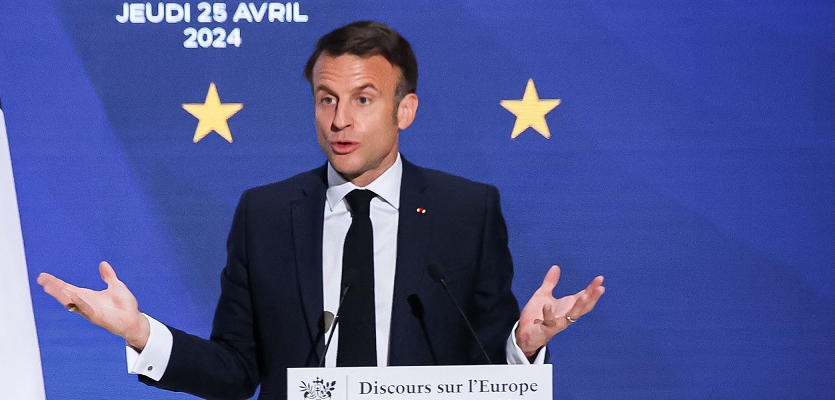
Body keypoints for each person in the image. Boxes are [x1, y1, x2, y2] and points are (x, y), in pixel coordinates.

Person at [37, 20, 605, 400]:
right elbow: (237, 373)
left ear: (404, 110)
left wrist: (523, 348)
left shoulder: (467, 211)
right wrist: (141, 333)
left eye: (363, 100)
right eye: (326, 99)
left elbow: (484, 366)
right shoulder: (265, 215)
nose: (339, 121)